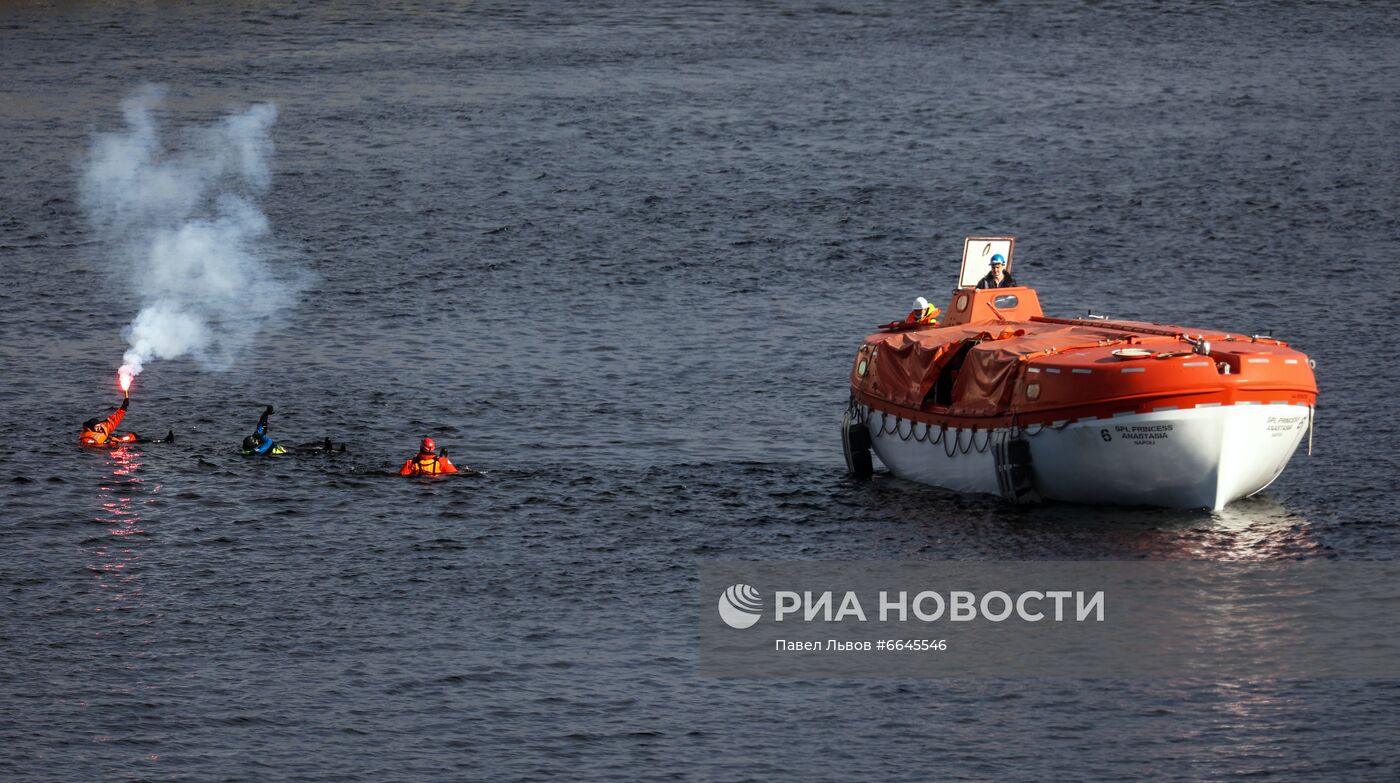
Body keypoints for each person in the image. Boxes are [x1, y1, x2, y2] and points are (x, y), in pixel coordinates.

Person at [240, 405, 343, 456]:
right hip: (289, 455)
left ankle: (328, 449)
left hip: (287, 449)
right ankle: (331, 452)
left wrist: (265, 414)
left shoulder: (251, 445)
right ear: (255, 445)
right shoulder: (257, 452)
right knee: (310, 453)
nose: (257, 439)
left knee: (307, 448)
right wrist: (262, 436)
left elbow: (260, 427)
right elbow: (269, 442)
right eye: (257, 440)